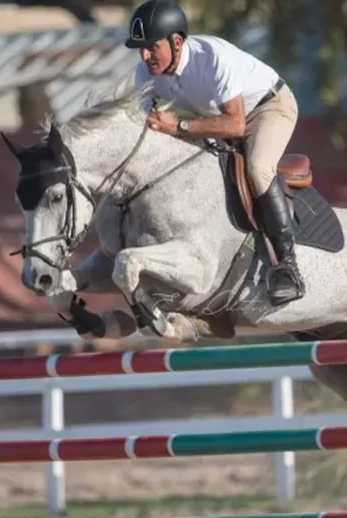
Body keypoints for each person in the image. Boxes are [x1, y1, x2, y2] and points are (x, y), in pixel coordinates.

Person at [125, 0, 304, 306]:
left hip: (268, 107)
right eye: (140, 48)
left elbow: (235, 125)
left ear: (177, 42)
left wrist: (178, 126)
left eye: (152, 47)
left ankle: (288, 267)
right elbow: (144, 125)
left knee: (258, 168)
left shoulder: (211, 57)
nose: (144, 56)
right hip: (216, 117)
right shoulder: (144, 73)